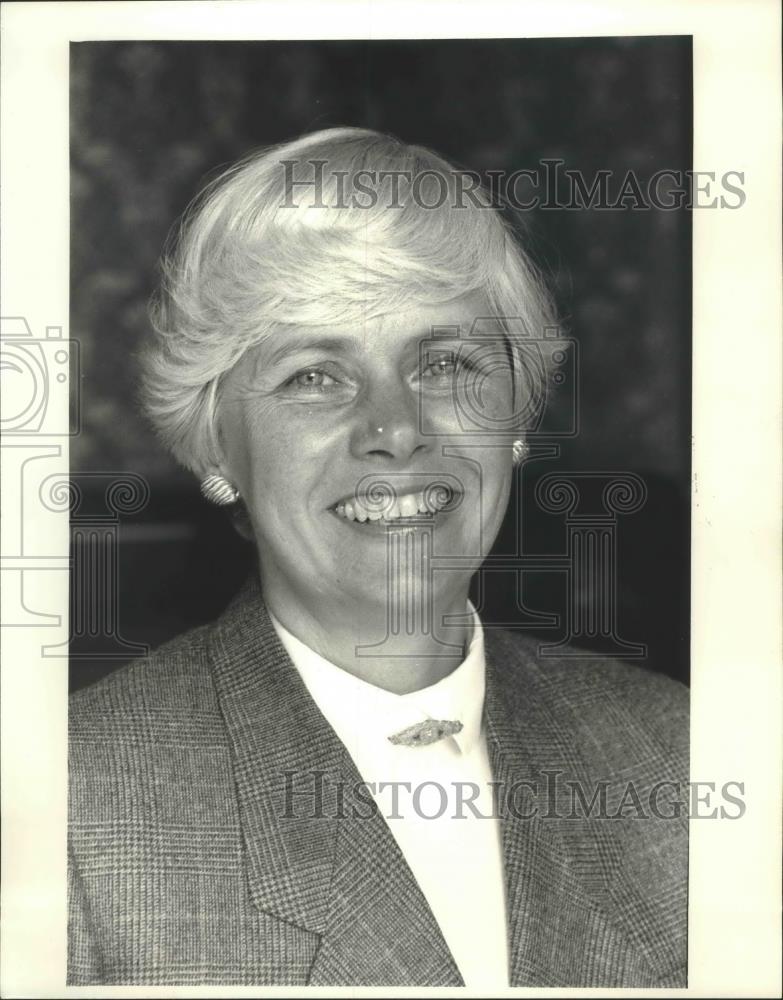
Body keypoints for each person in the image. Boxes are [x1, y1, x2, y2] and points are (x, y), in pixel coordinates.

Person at [68, 128, 688, 987]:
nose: (394, 430)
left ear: (516, 417)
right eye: (314, 375)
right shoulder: (71, 813)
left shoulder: (682, 754)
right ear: (217, 449)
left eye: (443, 362)